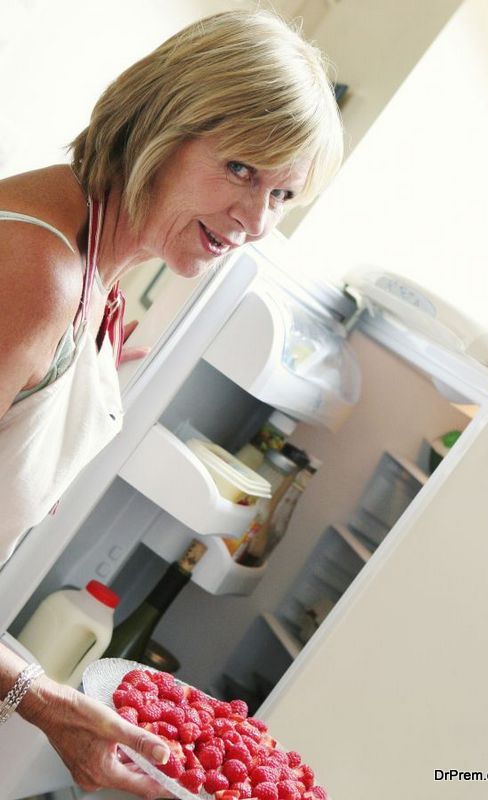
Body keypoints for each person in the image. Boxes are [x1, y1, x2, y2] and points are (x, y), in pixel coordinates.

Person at [0, 8, 343, 797]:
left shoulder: (92, 281)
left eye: (283, 192)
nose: (255, 220)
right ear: (162, 122)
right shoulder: (36, 271)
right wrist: (37, 697)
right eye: (241, 170)